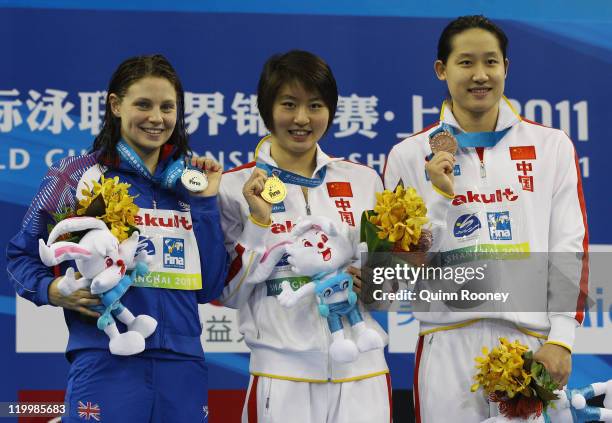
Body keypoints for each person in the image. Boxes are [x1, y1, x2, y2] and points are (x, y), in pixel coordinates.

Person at [383, 16, 588, 422]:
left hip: (528, 342)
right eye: (465, 62)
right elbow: (391, 273)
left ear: (506, 68)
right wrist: (438, 197)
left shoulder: (550, 146)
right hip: (446, 342)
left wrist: (562, 339)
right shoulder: (408, 155)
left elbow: (568, 244)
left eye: (491, 62)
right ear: (442, 69)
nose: (480, 75)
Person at [6, 54, 228, 422]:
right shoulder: (76, 176)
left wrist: (205, 204)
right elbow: (19, 256)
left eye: (167, 107)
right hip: (105, 357)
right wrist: (51, 289)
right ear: (115, 105)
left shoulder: (189, 185)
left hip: (183, 363)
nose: (157, 118)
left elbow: (211, 287)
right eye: (143, 104)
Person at [218, 50, 392, 423]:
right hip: (282, 376)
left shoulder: (364, 181)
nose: (301, 118)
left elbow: (393, 288)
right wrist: (258, 224)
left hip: (364, 372)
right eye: (288, 104)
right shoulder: (234, 188)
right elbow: (227, 292)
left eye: (315, 105)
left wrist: (377, 283)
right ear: (267, 110)